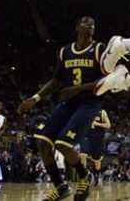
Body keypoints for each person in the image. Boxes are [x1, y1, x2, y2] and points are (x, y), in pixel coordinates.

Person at [18, 16, 105, 201]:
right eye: (85, 22)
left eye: (92, 24)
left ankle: (85, 176)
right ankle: (61, 187)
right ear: (77, 27)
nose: (89, 25)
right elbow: (56, 80)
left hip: (89, 104)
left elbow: (107, 80)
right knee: (42, 142)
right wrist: (35, 98)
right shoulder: (65, 51)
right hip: (69, 103)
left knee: (63, 144)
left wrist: (78, 88)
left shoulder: (99, 49)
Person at [80, 109, 111, 187]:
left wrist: (97, 124)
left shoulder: (102, 112)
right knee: (83, 153)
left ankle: (97, 174)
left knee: (97, 159)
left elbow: (108, 125)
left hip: (98, 138)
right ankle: (84, 175)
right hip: (86, 136)